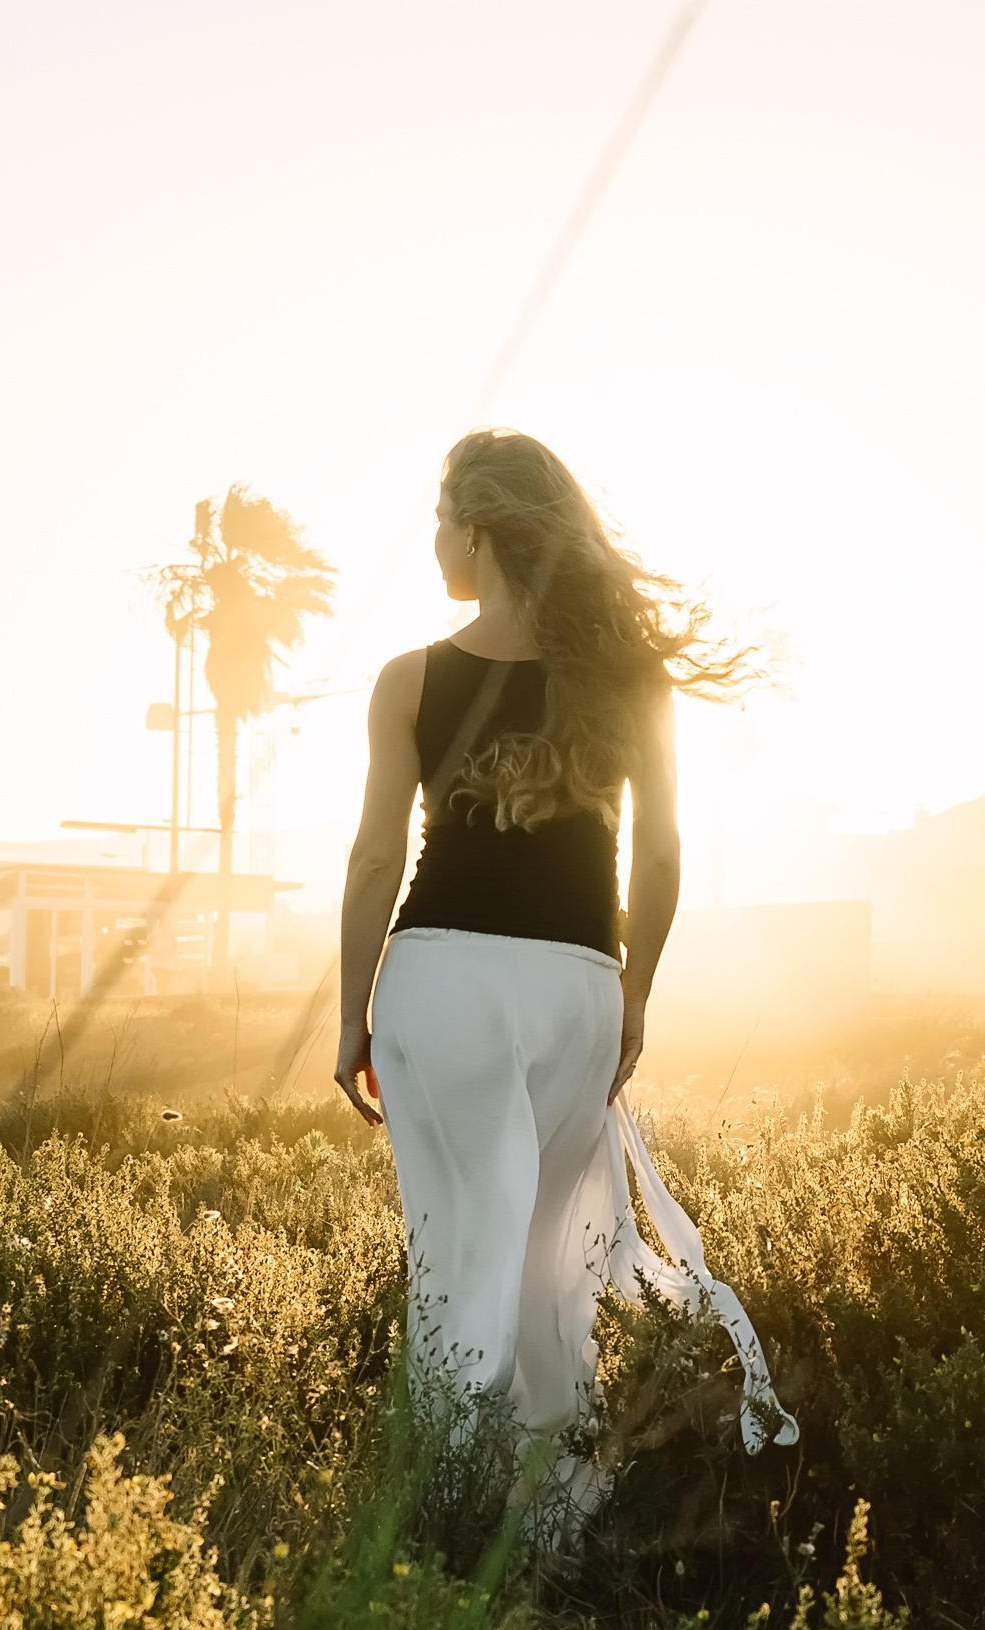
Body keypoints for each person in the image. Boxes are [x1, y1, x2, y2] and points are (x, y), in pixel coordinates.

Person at [334, 430, 795, 1525]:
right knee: (553, 1257)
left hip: (437, 980)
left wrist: (352, 1018)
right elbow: (666, 857)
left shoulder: (409, 681)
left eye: (443, 518)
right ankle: (554, 1523)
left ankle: (451, 1509)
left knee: (452, 1246)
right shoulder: (629, 679)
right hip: (576, 986)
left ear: (481, 531)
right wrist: (631, 993)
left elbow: (371, 858)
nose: (434, 538)